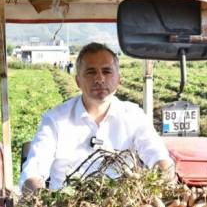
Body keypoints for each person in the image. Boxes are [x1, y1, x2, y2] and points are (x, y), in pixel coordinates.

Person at [18, 42, 174, 192]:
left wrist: (165, 174)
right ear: (78, 80)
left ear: (118, 79)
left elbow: (156, 154)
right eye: (91, 72)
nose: (99, 79)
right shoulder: (55, 120)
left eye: (107, 71)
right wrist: (36, 192)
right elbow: (34, 170)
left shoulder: (134, 116)